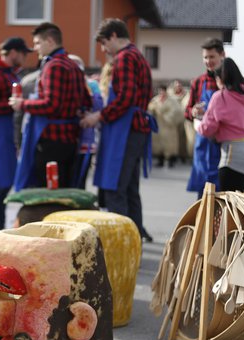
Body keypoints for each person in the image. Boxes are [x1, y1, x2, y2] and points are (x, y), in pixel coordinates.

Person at [80, 18, 156, 242]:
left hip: (125, 131)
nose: (104, 50)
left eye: (104, 43)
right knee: (130, 189)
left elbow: (125, 98)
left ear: (113, 36)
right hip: (136, 129)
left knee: (115, 189)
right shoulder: (139, 57)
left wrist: (98, 115)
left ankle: (120, 243)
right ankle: (135, 237)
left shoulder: (124, 59)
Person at [10, 22, 91, 190]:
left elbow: (51, 105)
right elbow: (86, 101)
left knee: (48, 192)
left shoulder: (53, 66)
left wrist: (22, 104)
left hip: (52, 141)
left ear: (50, 42)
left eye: (38, 43)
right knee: (64, 190)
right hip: (70, 139)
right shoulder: (74, 65)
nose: (35, 48)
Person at [0, 37, 32, 237]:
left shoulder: (8, 73)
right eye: (23, 53)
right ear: (12, 52)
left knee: (5, 181)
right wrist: (11, 105)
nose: (25, 57)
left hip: (6, 132)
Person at [196, 58, 244, 192]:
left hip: (234, 155)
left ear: (220, 79)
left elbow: (207, 129)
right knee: (237, 201)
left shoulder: (220, 97)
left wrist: (197, 122)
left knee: (227, 205)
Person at [185, 38, 225, 198]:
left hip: (224, 145)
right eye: (205, 57)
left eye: (212, 57)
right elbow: (186, 111)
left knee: (223, 198)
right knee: (202, 199)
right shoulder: (198, 82)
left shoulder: (230, 80)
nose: (208, 61)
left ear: (222, 55)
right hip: (202, 147)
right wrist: (193, 112)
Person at [68, 54, 103, 188]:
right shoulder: (68, 85)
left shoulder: (92, 85)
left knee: (79, 180)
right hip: (70, 139)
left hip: (86, 141)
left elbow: (98, 107)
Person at [148, 84, 184, 168]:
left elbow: (176, 111)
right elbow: (150, 109)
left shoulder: (172, 101)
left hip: (169, 126)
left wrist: (167, 116)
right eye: (160, 91)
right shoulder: (155, 100)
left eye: (163, 91)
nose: (162, 93)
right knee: (159, 144)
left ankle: (171, 160)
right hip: (159, 125)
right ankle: (160, 159)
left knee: (170, 144)